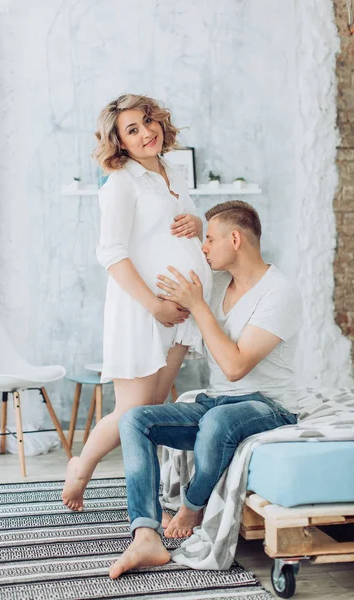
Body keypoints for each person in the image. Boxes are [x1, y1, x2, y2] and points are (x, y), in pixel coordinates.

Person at [108, 200, 303, 579]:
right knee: (134, 420)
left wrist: (198, 307)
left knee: (217, 421)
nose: (204, 247)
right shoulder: (214, 286)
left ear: (235, 238)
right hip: (216, 403)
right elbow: (179, 311)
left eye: (210, 239)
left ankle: (193, 504)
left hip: (270, 406)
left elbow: (234, 367)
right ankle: (145, 533)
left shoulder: (280, 292)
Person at [62, 94, 212, 510]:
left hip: (181, 310)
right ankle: (83, 466)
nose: (146, 132)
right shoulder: (122, 182)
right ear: (120, 142)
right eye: (133, 129)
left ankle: (151, 493)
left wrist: (197, 222)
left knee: (153, 410)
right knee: (134, 411)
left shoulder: (173, 171)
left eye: (149, 121)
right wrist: (154, 305)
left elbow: (184, 224)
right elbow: (111, 253)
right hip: (145, 309)